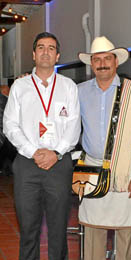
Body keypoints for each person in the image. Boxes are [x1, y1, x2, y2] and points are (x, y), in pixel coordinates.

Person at [3, 32, 81, 260]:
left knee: (58, 230)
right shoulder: (20, 86)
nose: (45, 51)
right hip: (27, 165)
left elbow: (74, 126)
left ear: (57, 56)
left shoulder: (69, 87)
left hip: (59, 165)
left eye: (51, 48)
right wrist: (33, 152)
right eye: (41, 47)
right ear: (33, 54)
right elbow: (10, 125)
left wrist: (56, 153)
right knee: (28, 229)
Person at [77, 36, 131, 260]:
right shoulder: (78, 91)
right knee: (92, 231)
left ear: (116, 62)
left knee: (126, 230)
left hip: (125, 169)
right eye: (97, 59)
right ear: (91, 64)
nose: (102, 63)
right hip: (91, 169)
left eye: (107, 58)